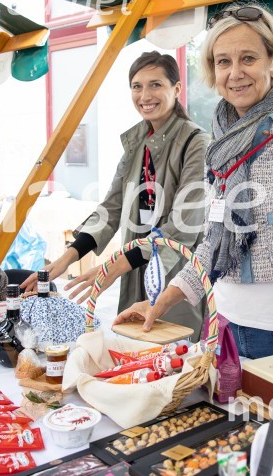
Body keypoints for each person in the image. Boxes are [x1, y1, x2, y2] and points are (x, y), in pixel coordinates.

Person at [114, 3, 273, 359]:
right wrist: (159, 303)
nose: (235, 73)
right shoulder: (219, 148)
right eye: (223, 62)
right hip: (224, 332)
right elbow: (211, 244)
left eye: (248, 58)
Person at [21, 52, 211, 338]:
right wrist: (66, 259)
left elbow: (183, 225)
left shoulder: (196, 142)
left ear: (176, 89)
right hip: (134, 267)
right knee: (135, 360)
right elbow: (111, 207)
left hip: (175, 276)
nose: (145, 95)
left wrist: (110, 268)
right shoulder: (137, 143)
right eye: (137, 86)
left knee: (174, 362)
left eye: (155, 84)